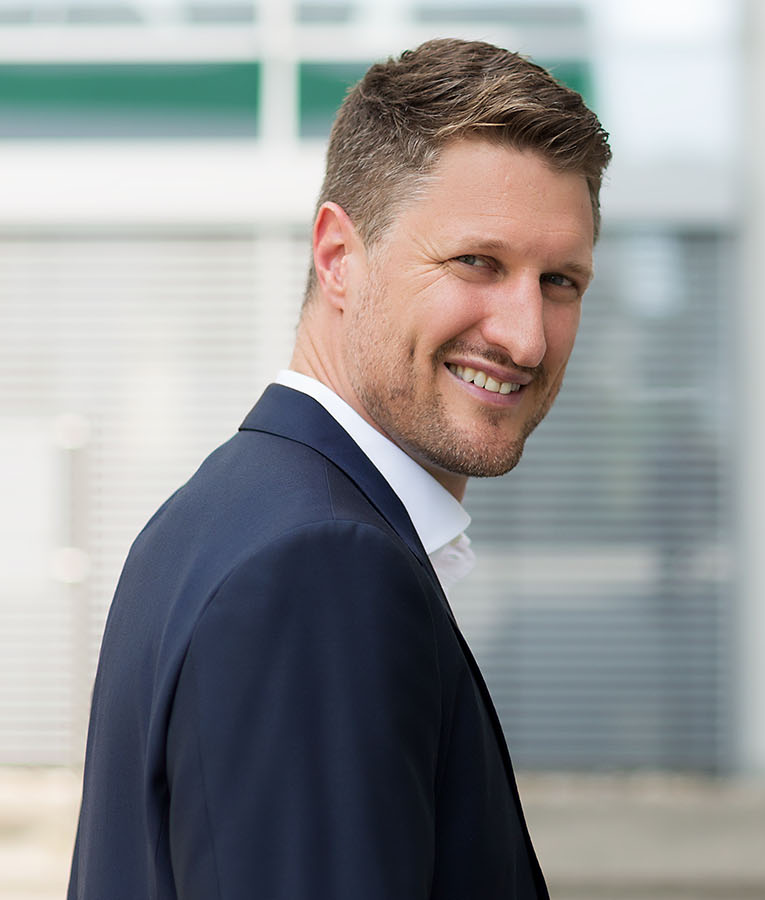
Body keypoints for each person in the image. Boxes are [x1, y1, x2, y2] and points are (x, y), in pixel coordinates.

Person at [67, 37, 610, 900]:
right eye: (477, 262)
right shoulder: (320, 566)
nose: (527, 337)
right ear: (337, 258)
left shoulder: (228, 512)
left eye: (560, 282)